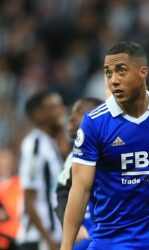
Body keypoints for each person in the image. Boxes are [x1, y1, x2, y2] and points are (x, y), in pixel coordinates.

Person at [61, 41, 149, 250]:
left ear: (143, 72)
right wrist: (65, 247)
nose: (113, 80)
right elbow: (80, 189)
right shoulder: (94, 123)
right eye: (108, 73)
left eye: (121, 71)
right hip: (110, 241)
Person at [16, 91, 65, 250]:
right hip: (38, 240)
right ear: (37, 115)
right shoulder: (34, 146)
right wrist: (48, 241)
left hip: (53, 237)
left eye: (60, 106)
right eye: (52, 108)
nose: (60, 112)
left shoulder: (50, 144)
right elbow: (29, 199)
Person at [55, 97, 103, 250]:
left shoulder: (111, 145)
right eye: (73, 111)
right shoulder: (75, 155)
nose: (71, 117)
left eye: (80, 112)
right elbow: (62, 192)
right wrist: (72, 230)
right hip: (87, 236)